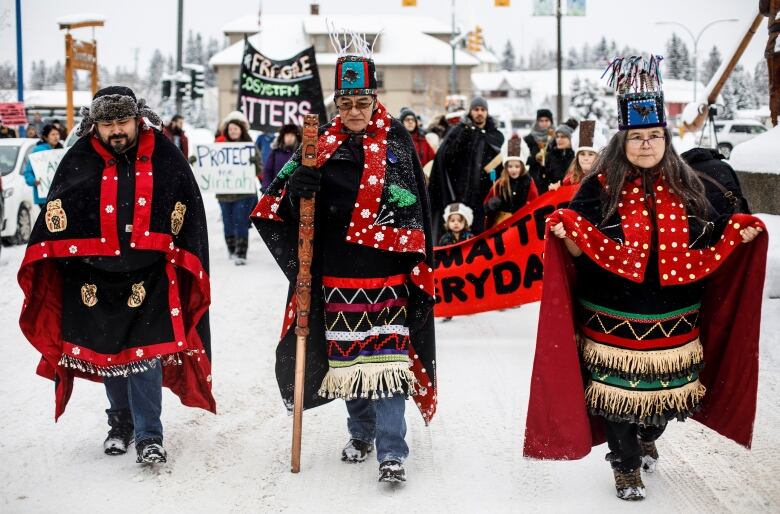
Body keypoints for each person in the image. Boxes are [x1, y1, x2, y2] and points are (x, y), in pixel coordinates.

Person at [524, 55, 768, 502]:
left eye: (654, 136)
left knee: (664, 403)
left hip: (675, 318)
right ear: (623, 141)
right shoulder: (598, 187)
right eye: (637, 137)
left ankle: (648, 433)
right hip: (612, 314)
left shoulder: (691, 185)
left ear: (666, 140)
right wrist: (567, 233)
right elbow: (576, 248)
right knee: (616, 398)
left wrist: (738, 231)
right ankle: (625, 465)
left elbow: (711, 233)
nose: (645, 145)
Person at [251, 29, 437, 483]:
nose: (354, 112)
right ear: (337, 104)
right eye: (346, 103)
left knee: (389, 368)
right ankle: (361, 432)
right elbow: (275, 208)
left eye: (362, 102)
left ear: (374, 100)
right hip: (335, 277)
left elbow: (415, 214)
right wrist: (298, 192)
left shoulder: (397, 144)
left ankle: (392, 451)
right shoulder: (317, 146)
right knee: (350, 365)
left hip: (387, 278)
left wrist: (409, 263)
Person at [17, 86, 216, 465]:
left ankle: (149, 436)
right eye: (107, 124)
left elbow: (186, 206)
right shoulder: (79, 158)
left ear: (137, 118)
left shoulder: (165, 154)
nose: (116, 131)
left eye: (122, 121)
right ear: (96, 125)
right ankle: (120, 425)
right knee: (108, 356)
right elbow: (58, 211)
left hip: (150, 276)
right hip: (93, 279)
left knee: (145, 358)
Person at [428, 96, 504, 239]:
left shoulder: (495, 135)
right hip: (460, 194)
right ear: (470, 111)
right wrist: (464, 136)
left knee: (482, 234)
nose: (479, 113)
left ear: (487, 112)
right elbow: (445, 157)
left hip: (483, 196)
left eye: (483, 110)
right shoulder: (459, 130)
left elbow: (502, 166)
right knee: (459, 236)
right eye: (476, 109)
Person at [215, 111, 261, 265]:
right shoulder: (218, 147)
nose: (233, 131)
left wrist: (254, 162)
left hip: (244, 193)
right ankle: (231, 248)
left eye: (236, 128)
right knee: (228, 222)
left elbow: (259, 169)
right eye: (230, 129)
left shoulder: (250, 147)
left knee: (240, 221)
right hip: (224, 194)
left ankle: (241, 252)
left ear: (241, 130)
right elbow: (210, 167)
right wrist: (197, 162)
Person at [483, 134, 538, 229]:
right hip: (502, 225)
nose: (513, 170)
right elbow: (486, 206)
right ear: (506, 167)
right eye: (510, 166)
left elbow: (536, 203)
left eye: (517, 166)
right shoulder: (499, 184)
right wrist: (491, 205)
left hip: (522, 225)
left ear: (522, 167)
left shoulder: (528, 182)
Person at [549, 119, 605, 190]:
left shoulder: (604, 179)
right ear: (577, 157)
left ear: (598, 157)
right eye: (582, 154)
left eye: (590, 154)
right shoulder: (570, 179)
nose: (586, 158)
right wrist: (558, 189)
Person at [23, 124, 64, 209]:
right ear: (45, 137)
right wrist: (34, 181)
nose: (56, 137)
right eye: (53, 134)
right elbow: (28, 172)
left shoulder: (61, 151)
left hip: (59, 195)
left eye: (57, 134)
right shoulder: (38, 151)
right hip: (44, 197)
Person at [539, 118, 577, 193]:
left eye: (563, 137)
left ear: (571, 139)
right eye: (557, 136)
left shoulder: (577, 156)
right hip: (553, 197)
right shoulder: (550, 155)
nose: (559, 139)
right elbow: (543, 180)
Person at [263, 123, 301, 192]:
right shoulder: (275, 152)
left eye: (292, 135)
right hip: (277, 191)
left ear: (296, 137)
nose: (289, 138)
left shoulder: (301, 153)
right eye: (287, 135)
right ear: (283, 136)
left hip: (296, 191)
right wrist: (266, 189)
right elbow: (268, 171)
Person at [523, 108, 555, 190]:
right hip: (535, 177)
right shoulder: (529, 139)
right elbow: (523, 159)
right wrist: (535, 158)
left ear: (551, 121)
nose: (544, 123)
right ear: (537, 122)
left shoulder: (557, 138)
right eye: (541, 120)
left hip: (553, 178)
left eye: (546, 120)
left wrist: (548, 158)